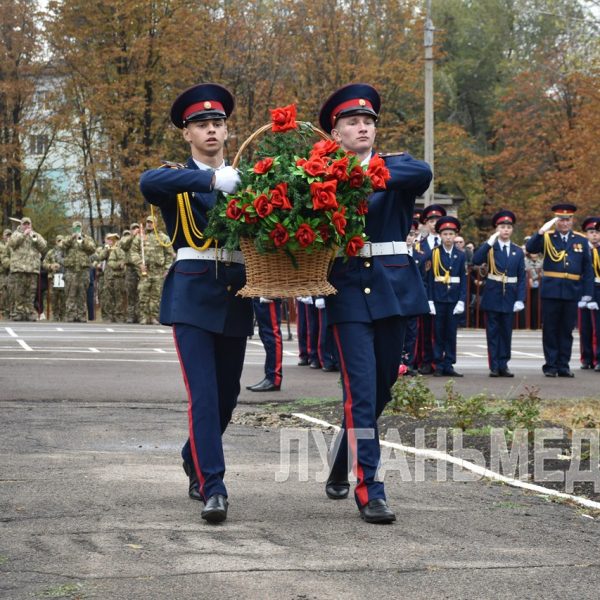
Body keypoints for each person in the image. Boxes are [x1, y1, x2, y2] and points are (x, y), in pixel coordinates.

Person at [318, 83, 432, 524]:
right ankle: (371, 488)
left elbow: (420, 174)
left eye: (368, 121)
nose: (363, 126)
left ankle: (341, 456)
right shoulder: (317, 174)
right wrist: (333, 174)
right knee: (361, 394)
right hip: (347, 290)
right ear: (336, 132)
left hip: (394, 292)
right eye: (353, 122)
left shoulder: (395, 168)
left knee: (382, 388)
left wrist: (357, 174)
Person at [139, 83, 252, 523]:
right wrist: (210, 178)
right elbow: (149, 181)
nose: (210, 130)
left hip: (236, 293)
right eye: (201, 125)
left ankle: (194, 455)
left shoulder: (246, 179)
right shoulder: (178, 179)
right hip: (191, 295)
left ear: (227, 131)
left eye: (217, 124)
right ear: (187, 134)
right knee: (203, 396)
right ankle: (214, 485)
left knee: (227, 397)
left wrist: (232, 180)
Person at [525, 203, 593, 377]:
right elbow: (531, 248)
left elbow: (587, 268)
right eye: (561, 220)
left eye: (568, 219)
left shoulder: (580, 240)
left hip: (572, 290)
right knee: (550, 329)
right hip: (551, 291)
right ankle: (551, 365)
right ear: (556, 221)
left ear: (572, 220)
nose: (564, 223)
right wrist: (540, 231)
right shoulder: (547, 237)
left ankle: (563, 365)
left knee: (566, 330)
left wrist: (587, 293)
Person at [472, 210, 526, 377]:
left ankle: (504, 364)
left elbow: (522, 277)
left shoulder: (518, 251)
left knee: (506, 333)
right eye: (502, 227)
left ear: (512, 230)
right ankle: (494, 365)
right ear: (497, 229)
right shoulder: (490, 248)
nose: (505, 230)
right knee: (493, 333)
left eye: (508, 227)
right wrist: (488, 243)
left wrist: (520, 299)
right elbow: (476, 260)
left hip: (509, 296)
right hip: (493, 294)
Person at [425, 216, 466, 377]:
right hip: (438, 299)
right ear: (440, 236)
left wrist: (462, 300)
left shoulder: (460, 255)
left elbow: (463, 279)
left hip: (453, 299)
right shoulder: (434, 253)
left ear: (455, 236)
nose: (448, 237)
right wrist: (430, 301)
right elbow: (429, 279)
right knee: (438, 333)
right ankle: (439, 364)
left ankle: (449, 364)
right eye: (445, 234)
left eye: (451, 234)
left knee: (451, 333)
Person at [416, 204, 447, 374]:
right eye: (431, 221)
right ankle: (426, 360)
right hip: (425, 292)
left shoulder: (448, 245)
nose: (435, 224)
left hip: (443, 293)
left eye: (438, 221)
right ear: (426, 223)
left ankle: (442, 362)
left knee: (443, 330)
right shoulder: (419, 246)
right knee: (425, 329)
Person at [130, 215, 173, 325]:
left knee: (156, 295)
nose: (149, 224)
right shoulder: (140, 237)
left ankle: (154, 317)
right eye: (148, 222)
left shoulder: (163, 238)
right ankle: (143, 317)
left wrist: (167, 268)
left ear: (155, 224)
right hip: (145, 270)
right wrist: (139, 263)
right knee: (143, 293)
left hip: (158, 271)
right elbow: (133, 251)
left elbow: (169, 254)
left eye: (151, 222)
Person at [7, 217, 47, 321]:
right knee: (19, 292)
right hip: (19, 268)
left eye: (28, 224)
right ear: (21, 225)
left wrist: (35, 237)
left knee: (31, 293)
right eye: (24, 224)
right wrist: (23, 235)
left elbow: (43, 247)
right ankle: (18, 313)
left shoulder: (35, 235)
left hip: (32, 269)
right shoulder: (16, 234)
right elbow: (11, 244)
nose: (26, 226)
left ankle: (29, 312)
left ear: (31, 225)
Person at [62, 220, 97, 322]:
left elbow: (92, 249)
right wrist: (72, 237)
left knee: (82, 294)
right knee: (71, 294)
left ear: (81, 228)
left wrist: (83, 241)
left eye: (79, 228)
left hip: (83, 271)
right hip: (71, 271)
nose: (77, 229)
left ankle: (81, 315)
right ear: (73, 228)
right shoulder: (68, 238)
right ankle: (71, 315)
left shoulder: (87, 238)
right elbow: (62, 246)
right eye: (75, 228)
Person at [246, 297, 283, 391]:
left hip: (268, 291)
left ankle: (274, 378)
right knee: (265, 334)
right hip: (259, 291)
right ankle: (270, 376)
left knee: (271, 335)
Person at [578, 217, 600, 369]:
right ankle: (586, 358)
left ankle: (597, 359)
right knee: (584, 327)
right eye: (591, 232)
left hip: (598, 289)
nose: (594, 235)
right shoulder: (579, 249)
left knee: (597, 327)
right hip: (583, 291)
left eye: (597, 232)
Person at [96, 233, 126, 322]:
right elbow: (100, 257)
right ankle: (108, 316)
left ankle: (119, 316)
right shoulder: (105, 249)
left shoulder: (121, 249)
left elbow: (123, 261)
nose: (112, 241)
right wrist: (107, 249)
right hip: (108, 276)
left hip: (118, 276)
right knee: (107, 297)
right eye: (109, 239)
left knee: (119, 296)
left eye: (114, 239)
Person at [119, 223, 141, 323]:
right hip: (131, 268)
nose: (136, 230)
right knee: (131, 293)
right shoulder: (127, 238)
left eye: (137, 228)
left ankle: (140, 315)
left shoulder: (143, 238)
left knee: (141, 293)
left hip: (141, 268)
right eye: (133, 228)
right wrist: (132, 236)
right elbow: (123, 245)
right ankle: (131, 316)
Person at [43, 235, 67, 321]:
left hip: (65, 276)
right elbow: (44, 263)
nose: (61, 242)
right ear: (56, 242)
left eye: (62, 241)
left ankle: (63, 315)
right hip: (54, 277)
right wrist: (51, 266)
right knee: (54, 298)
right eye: (59, 241)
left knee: (64, 297)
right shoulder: (51, 252)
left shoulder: (67, 251)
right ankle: (55, 315)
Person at [0, 228, 12, 318]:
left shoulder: (13, 246)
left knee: (10, 292)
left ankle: (9, 311)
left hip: (11, 272)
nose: (8, 237)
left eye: (9, 235)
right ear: (3, 236)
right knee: (3, 292)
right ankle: (3, 311)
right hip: (2, 273)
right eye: (6, 235)